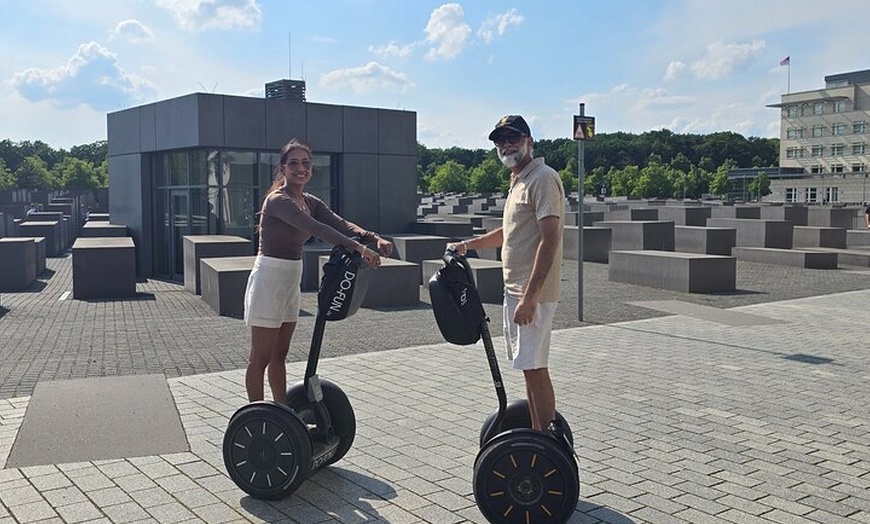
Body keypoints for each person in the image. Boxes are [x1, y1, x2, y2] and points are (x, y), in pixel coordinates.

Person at [244, 138, 393, 403]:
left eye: (306, 163)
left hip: (291, 278)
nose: (301, 168)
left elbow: (340, 224)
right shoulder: (277, 200)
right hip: (269, 277)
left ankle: (282, 411)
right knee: (261, 357)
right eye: (294, 164)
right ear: (282, 168)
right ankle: (256, 414)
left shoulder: (309, 200)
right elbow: (317, 229)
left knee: (280, 354)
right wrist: (360, 249)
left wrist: (373, 237)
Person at [447, 115, 565, 435]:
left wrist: (530, 297)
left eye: (513, 138)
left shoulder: (542, 178)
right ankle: (538, 432)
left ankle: (546, 442)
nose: (506, 144)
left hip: (530, 295)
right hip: (515, 291)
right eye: (500, 140)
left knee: (536, 369)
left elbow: (549, 239)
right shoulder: (519, 181)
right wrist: (467, 246)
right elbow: (508, 232)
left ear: (530, 141)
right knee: (529, 368)